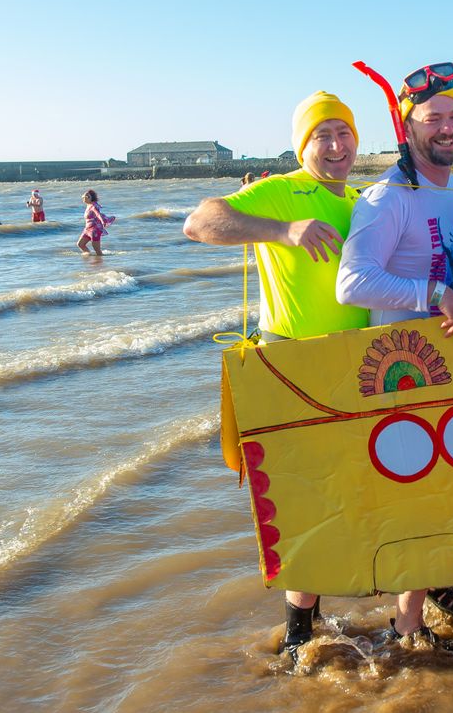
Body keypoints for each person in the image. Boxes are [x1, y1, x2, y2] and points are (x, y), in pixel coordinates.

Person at [184, 91, 370, 662]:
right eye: (322, 136)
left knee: (366, 490)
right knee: (303, 503)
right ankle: (299, 628)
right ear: (303, 144)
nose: (335, 146)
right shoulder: (282, 190)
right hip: (292, 368)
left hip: (361, 366)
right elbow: (200, 222)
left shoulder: (366, 199)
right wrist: (284, 231)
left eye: (344, 133)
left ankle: (421, 587)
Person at [336, 63, 453, 644]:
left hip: (449, 364)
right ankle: (406, 629)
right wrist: (433, 295)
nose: (448, 128)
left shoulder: (448, 187)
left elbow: (451, 268)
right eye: (433, 118)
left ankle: (415, 617)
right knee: (418, 500)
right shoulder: (388, 197)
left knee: (445, 495)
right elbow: (352, 283)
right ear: (407, 127)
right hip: (402, 371)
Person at [77, 189, 116, 255]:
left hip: (94, 230)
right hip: (87, 229)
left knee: (97, 250)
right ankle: (89, 257)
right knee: (80, 244)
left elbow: (98, 214)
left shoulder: (93, 206)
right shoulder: (88, 205)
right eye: (84, 196)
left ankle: (99, 263)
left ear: (92, 198)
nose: (85, 198)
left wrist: (102, 221)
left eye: (88, 197)